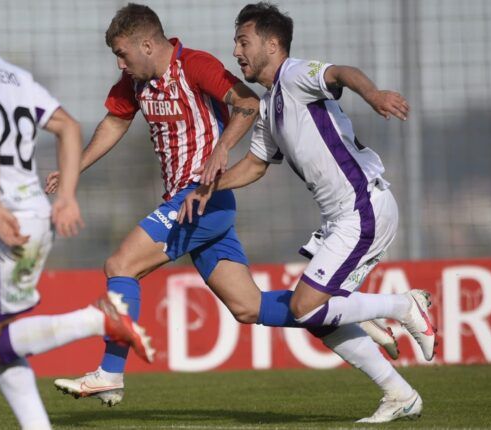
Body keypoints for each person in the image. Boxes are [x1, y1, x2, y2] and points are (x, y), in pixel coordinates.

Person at [47, 4, 414, 422]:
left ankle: (110, 373)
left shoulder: (196, 65)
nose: (120, 62)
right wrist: (74, 168)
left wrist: (220, 149)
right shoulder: (136, 83)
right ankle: (351, 317)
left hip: (200, 200)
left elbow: (246, 102)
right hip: (195, 202)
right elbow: (114, 122)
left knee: (120, 265)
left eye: (122, 53)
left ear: (147, 44)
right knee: (248, 307)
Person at [179, 2, 435, 422]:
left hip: (362, 208)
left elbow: (340, 73)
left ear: (273, 44)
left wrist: (371, 94)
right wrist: (207, 188)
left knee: (307, 306)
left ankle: (402, 307)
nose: (237, 52)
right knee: (320, 318)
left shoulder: (295, 75)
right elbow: (256, 165)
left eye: (244, 42)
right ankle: (399, 394)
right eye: (235, 44)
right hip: (341, 219)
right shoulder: (268, 105)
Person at [0, 1, 152, 428]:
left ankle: (98, 318)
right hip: (37, 214)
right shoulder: (14, 75)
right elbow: (69, 126)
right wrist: (66, 196)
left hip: (6, 219)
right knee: (1, 344)